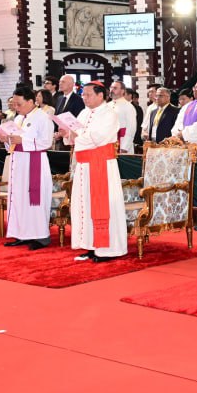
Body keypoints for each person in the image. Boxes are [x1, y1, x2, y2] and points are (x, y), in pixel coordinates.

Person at [66, 81, 126, 262]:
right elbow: (75, 136)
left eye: (88, 94)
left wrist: (77, 135)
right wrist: (67, 132)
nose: (84, 98)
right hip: (84, 166)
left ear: (100, 95)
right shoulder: (84, 113)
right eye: (83, 94)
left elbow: (98, 138)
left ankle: (108, 249)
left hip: (101, 166)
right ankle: (91, 245)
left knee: (103, 206)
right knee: (85, 205)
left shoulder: (109, 114)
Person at [2, 83, 54, 250]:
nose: (16, 108)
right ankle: (22, 234)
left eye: (19, 104)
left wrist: (22, 140)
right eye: (14, 104)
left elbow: (46, 142)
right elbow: (13, 142)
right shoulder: (18, 119)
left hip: (34, 163)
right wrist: (6, 139)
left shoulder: (43, 117)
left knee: (34, 200)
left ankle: (40, 237)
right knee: (19, 198)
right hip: (18, 162)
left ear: (31, 101)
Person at [109, 80, 137, 153]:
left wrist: (125, 147)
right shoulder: (107, 106)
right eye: (111, 87)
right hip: (109, 141)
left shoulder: (128, 106)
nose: (112, 90)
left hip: (122, 142)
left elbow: (131, 128)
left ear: (122, 91)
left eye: (115, 88)